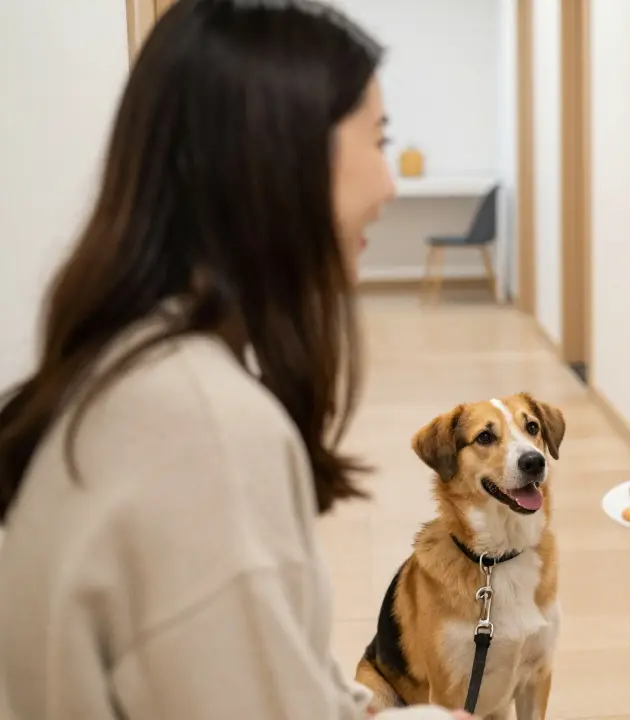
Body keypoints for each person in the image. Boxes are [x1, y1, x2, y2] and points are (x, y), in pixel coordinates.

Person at [0, 1, 471, 718]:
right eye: (379, 139)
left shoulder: (131, 370)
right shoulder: (203, 429)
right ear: (279, 157)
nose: (389, 184)